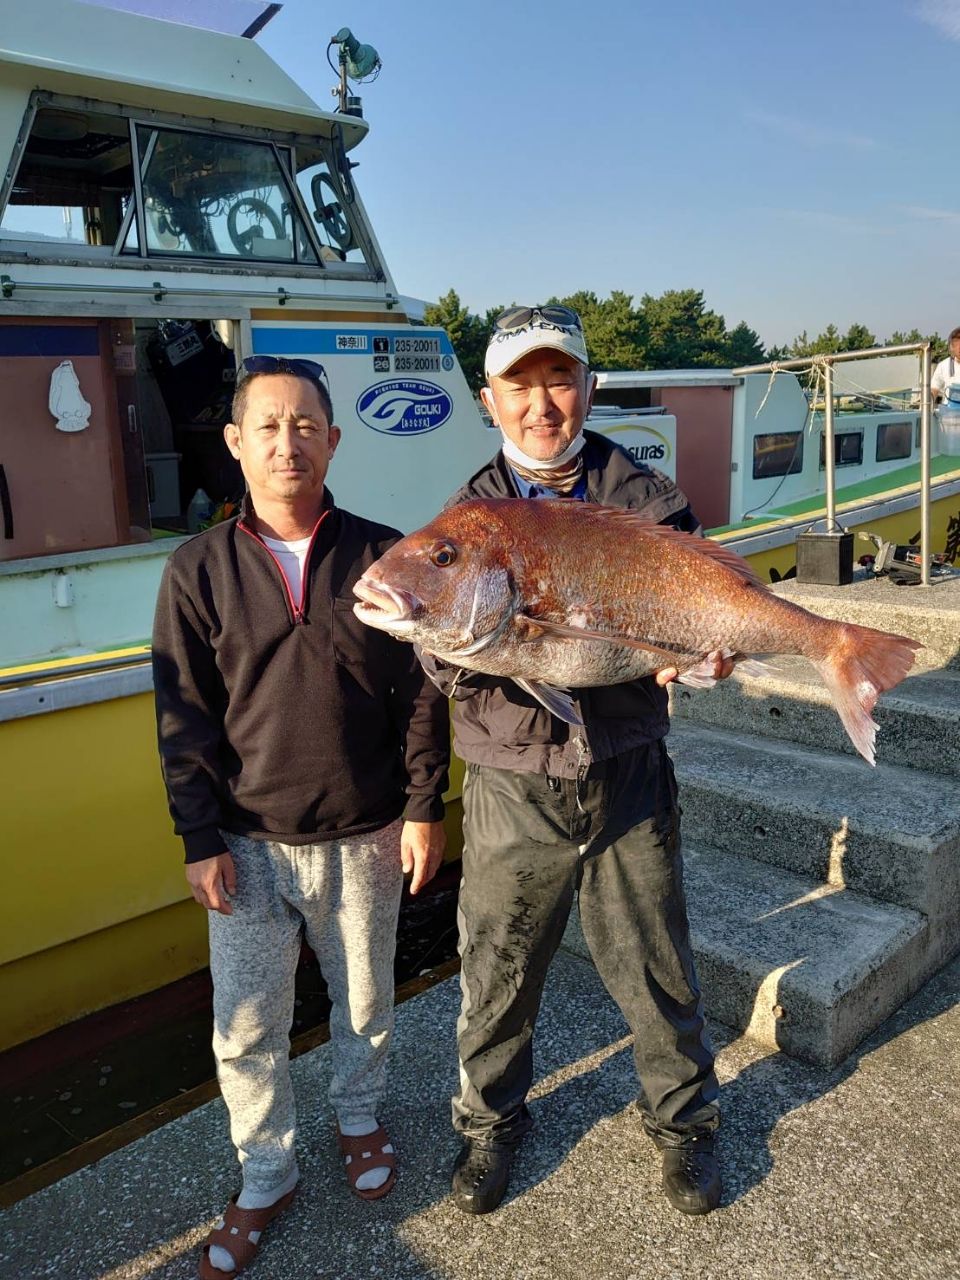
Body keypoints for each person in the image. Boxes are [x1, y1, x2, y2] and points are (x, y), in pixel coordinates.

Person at [419, 305, 728, 1220]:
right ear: (490, 400)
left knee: (656, 959)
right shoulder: (466, 519)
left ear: (588, 388)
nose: (542, 403)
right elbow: (431, 647)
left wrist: (707, 653)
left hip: (630, 767)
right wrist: (453, 642)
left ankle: (684, 1124)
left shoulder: (649, 499)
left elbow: (701, 604)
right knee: (498, 967)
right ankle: (489, 1125)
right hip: (513, 779)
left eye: (559, 380)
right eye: (520, 385)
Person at [152, 355, 449, 1278]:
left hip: (363, 831)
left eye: (306, 424)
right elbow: (182, 714)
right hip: (245, 846)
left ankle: (359, 1120)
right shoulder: (196, 568)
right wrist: (198, 838)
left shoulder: (384, 553)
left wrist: (424, 807)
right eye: (269, 426)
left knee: (365, 1000)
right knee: (245, 1026)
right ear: (236, 443)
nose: (289, 442)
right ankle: (266, 1170)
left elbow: (423, 695)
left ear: (333, 438)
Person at [931, 327, 960, 404]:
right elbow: (934, 388)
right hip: (949, 412)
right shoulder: (943, 365)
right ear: (951, 347)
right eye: (956, 344)